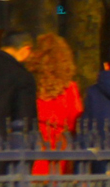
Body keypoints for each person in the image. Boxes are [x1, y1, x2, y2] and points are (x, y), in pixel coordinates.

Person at [25, 34, 83, 173]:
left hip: (34, 143)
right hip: (59, 146)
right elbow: (75, 119)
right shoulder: (69, 87)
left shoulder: (30, 84)